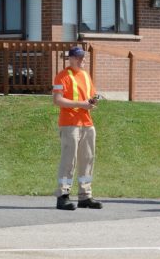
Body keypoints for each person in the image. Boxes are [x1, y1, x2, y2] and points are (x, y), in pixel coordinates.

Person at [51, 46, 102, 210]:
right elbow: (57, 100)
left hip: (86, 123)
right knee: (69, 160)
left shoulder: (86, 76)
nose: (82, 60)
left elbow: (89, 96)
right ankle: (62, 196)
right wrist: (82, 104)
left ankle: (85, 196)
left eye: (83, 57)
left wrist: (93, 101)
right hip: (69, 123)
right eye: (78, 57)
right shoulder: (62, 76)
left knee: (87, 159)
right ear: (70, 59)